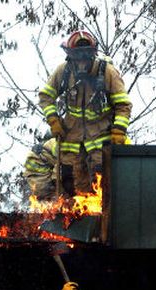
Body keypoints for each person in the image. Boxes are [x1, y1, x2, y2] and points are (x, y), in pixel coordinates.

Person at [38, 31, 132, 192]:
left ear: (93, 54)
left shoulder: (107, 72)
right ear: (70, 56)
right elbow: (46, 96)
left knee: (101, 181)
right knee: (69, 182)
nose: (82, 61)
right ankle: (74, 215)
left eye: (86, 56)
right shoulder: (63, 71)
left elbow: (123, 104)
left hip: (100, 136)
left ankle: (101, 215)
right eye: (77, 56)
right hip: (71, 136)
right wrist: (53, 120)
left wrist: (118, 131)